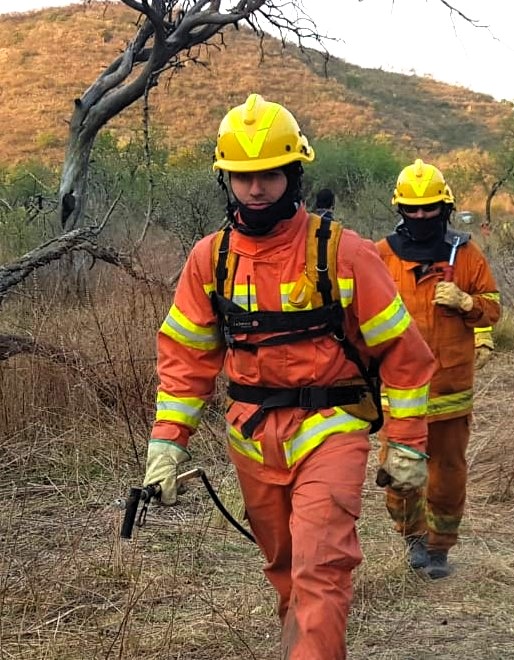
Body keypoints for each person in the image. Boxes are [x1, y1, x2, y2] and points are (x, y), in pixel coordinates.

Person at [141, 94, 435, 659]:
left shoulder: (344, 253)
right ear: (226, 180)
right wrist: (167, 443)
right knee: (284, 568)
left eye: (270, 174)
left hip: (332, 428)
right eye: (244, 177)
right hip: (251, 438)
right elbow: (186, 360)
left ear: (293, 172)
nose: (257, 189)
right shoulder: (210, 259)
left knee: (320, 566)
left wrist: (406, 444)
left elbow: (404, 355)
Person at [375, 158, 501, 579]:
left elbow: (494, 308)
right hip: (399, 393)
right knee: (399, 473)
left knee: (447, 475)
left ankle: (439, 547)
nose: (421, 215)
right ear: (400, 209)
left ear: (444, 207)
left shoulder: (465, 254)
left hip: (451, 389)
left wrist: (468, 303)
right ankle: (411, 538)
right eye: (412, 208)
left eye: (429, 208)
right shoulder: (381, 256)